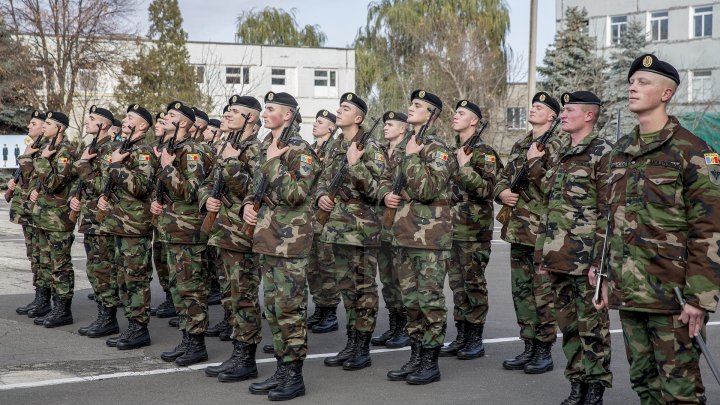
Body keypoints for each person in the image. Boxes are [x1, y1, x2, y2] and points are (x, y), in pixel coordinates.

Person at [593, 53, 720, 405]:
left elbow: (710, 228)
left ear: (666, 94)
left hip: (673, 298)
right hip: (630, 293)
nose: (633, 87)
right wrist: (602, 272)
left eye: (643, 82)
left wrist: (700, 297)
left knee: (680, 391)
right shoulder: (620, 151)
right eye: (632, 81)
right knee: (644, 383)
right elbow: (608, 217)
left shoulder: (694, 152)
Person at [529, 90, 613, 405]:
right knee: (569, 328)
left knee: (593, 330)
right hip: (558, 258)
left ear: (589, 115)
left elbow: (609, 211)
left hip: (585, 261)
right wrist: (542, 255)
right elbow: (549, 209)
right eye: (562, 110)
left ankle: (595, 389)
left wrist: (600, 264)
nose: (563, 114)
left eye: (570, 110)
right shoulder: (564, 152)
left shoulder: (603, 151)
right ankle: (577, 384)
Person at [242, 91, 320, 401]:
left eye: (271, 109)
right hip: (267, 237)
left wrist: (274, 163)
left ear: (287, 115)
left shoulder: (300, 149)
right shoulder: (266, 145)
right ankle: (281, 369)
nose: (265, 113)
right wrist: (248, 203)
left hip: (290, 241)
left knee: (290, 309)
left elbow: (298, 193)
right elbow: (255, 186)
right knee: (273, 309)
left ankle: (294, 376)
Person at [380, 90, 454, 385]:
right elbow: (386, 179)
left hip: (430, 240)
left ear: (432, 114)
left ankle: (431, 361)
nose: (410, 108)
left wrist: (411, 158)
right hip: (402, 235)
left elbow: (427, 190)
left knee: (429, 301)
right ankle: (416, 355)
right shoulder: (404, 147)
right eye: (410, 104)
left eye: (418, 105)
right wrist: (385, 193)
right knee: (410, 301)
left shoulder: (437, 148)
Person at [318, 93, 385, 371]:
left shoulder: (371, 147)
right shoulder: (334, 145)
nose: (339, 111)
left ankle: (362, 346)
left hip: (361, 228)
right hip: (336, 227)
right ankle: (351, 341)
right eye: (339, 107)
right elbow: (323, 177)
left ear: (358, 118)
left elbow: (378, 190)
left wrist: (356, 164)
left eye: (345, 108)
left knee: (364, 288)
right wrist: (322, 194)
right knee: (346, 288)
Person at [495, 92, 560, 374]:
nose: (533, 109)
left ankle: (544, 350)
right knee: (521, 293)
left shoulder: (558, 145)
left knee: (542, 293)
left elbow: (555, 187)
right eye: (533, 106)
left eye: (540, 107)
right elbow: (501, 177)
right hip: (518, 229)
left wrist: (535, 162)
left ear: (553, 117)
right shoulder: (521, 143)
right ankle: (529, 346)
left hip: (542, 233)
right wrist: (502, 193)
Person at [201, 95, 263, 383]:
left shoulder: (255, 150)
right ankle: (238, 351)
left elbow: (251, 192)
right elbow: (208, 182)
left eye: (235, 112)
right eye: (227, 111)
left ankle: (246, 357)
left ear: (250, 119)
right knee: (230, 297)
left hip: (241, 235)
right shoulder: (228, 146)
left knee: (244, 296)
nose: (227, 115)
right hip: (222, 232)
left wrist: (231, 162)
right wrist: (206, 202)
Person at [442, 100, 502, 360]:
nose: (455, 116)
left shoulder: (484, 153)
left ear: (475, 121)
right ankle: (462, 334)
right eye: (455, 112)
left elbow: (487, 190)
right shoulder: (454, 150)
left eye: (462, 113)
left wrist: (465, 167)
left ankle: (475, 339)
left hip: (474, 231)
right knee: (457, 286)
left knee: (473, 284)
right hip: (452, 230)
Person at [152, 101, 209, 367]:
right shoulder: (170, 149)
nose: (166, 118)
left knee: (191, 289)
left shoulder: (193, 151)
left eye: (172, 116)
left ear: (184, 123)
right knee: (178, 288)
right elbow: (167, 190)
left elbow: (193, 192)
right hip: (171, 228)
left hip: (187, 231)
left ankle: (197, 343)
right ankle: (187, 338)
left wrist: (167, 167)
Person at [98, 104, 158, 350]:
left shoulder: (143, 152)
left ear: (142, 125)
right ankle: (131, 325)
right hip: (118, 223)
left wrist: (116, 166)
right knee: (122, 277)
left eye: (130, 118)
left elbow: (140, 187)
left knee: (135, 278)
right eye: (125, 116)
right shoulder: (122, 148)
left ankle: (139, 328)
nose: (124, 120)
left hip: (134, 225)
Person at [71, 105, 120, 338]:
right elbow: (82, 182)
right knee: (94, 268)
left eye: (92, 119)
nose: (87, 122)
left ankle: (108, 318)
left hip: (103, 221)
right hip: (90, 218)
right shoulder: (92, 147)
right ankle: (103, 314)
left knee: (103, 268)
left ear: (104, 124)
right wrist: (75, 197)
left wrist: (82, 164)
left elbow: (102, 186)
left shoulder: (110, 149)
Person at [28, 111, 78, 328]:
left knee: (60, 265)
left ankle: (62, 310)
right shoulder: (48, 149)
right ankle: (49, 304)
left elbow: (53, 184)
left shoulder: (65, 151)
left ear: (60, 128)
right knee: (46, 263)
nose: (44, 127)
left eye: (48, 124)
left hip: (58, 219)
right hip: (43, 216)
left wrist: (44, 160)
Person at [371, 111, 411, 349]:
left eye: (390, 124)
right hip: (382, 225)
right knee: (387, 279)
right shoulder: (382, 152)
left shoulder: (410, 150)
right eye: (384, 124)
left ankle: (405, 327)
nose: (385, 128)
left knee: (401, 279)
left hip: (402, 226)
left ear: (403, 128)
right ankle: (395, 325)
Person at [306, 109, 340, 334]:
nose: (315, 125)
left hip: (327, 217)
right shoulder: (311, 149)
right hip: (310, 215)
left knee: (326, 266)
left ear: (331, 128)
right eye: (315, 121)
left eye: (321, 122)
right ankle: (319, 307)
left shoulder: (334, 150)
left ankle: (330, 312)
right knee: (312, 267)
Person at [11, 111, 48, 317]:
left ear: (43, 127)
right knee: (33, 255)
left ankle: (44, 300)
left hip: (38, 210)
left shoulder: (43, 149)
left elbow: (37, 176)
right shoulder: (33, 146)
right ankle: (39, 296)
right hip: (27, 209)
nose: (28, 126)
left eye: (33, 123)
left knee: (41, 256)